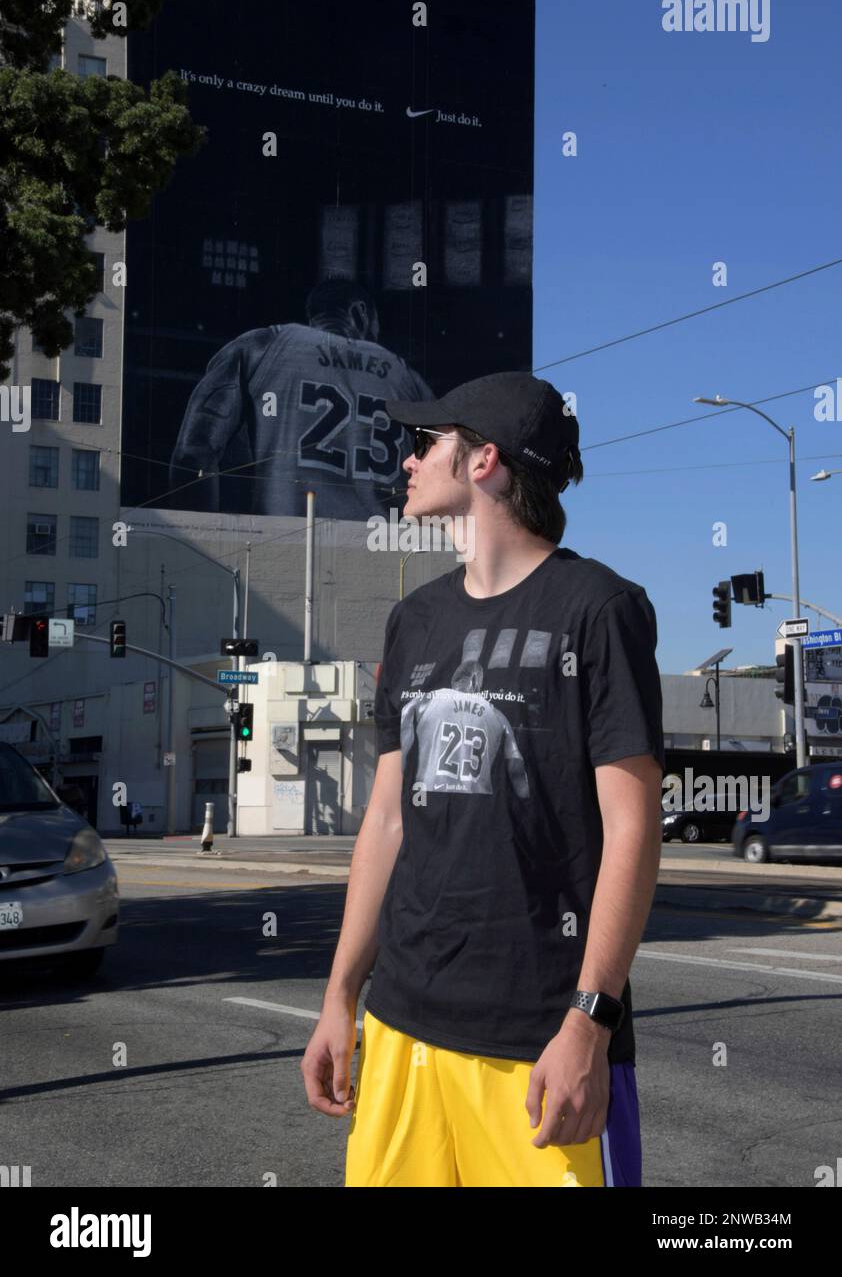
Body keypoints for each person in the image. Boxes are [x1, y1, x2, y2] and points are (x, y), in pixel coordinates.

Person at [301, 370, 665, 1187]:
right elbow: (388, 819)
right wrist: (339, 996)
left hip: (537, 1046)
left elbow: (634, 832)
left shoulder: (599, 609)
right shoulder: (415, 618)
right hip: (400, 1029)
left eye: (426, 441)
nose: (407, 460)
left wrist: (589, 1026)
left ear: (483, 461)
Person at [169, 278, 433, 520]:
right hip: (382, 547)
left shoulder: (263, 344)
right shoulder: (405, 375)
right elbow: (447, 472)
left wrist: (201, 545)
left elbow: (193, 454)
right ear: (361, 312)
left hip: (282, 540)